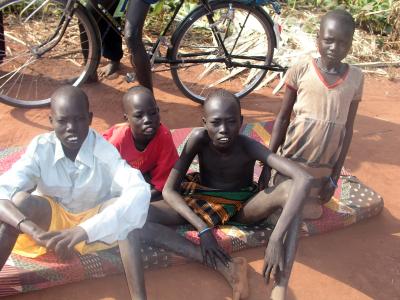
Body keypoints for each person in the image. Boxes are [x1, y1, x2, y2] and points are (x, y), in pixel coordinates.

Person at [119, 90, 313, 300]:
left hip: (242, 206)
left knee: (292, 190)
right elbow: (169, 189)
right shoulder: (198, 139)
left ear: (241, 121)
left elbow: (304, 179)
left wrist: (276, 239)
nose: (223, 130)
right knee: (127, 220)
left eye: (231, 122)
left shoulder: (248, 146)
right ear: (204, 123)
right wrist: (203, 230)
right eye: (215, 123)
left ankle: (281, 284)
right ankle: (226, 267)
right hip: (201, 201)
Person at [0, 85, 151, 296]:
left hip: (93, 227)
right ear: (51, 121)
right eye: (62, 121)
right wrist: (34, 231)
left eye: (79, 119)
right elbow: (2, 191)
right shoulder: (41, 148)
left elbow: (139, 191)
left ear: (90, 119)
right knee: (19, 202)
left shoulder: (103, 150)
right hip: (50, 227)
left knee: (126, 214)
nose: (71, 127)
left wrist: (84, 230)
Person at [261, 9, 364, 220]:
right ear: (318, 39)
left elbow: (348, 130)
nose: (335, 48)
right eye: (328, 40)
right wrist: (267, 164)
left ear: (351, 45)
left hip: (324, 169)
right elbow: (282, 118)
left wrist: (334, 177)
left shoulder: (356, 78)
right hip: (293, 159)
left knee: (310, 212)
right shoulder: (301, 69)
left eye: (343, 43)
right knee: (283, 205)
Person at [103, 86, 179, 201]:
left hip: (141, 171)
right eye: (139, 116)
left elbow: (164, 184)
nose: (148, 119)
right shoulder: (117, 141)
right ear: (126, 118)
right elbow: (104, 176)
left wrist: (137, 199)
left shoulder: (164, 136)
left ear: (158, 111)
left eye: (153, 113)